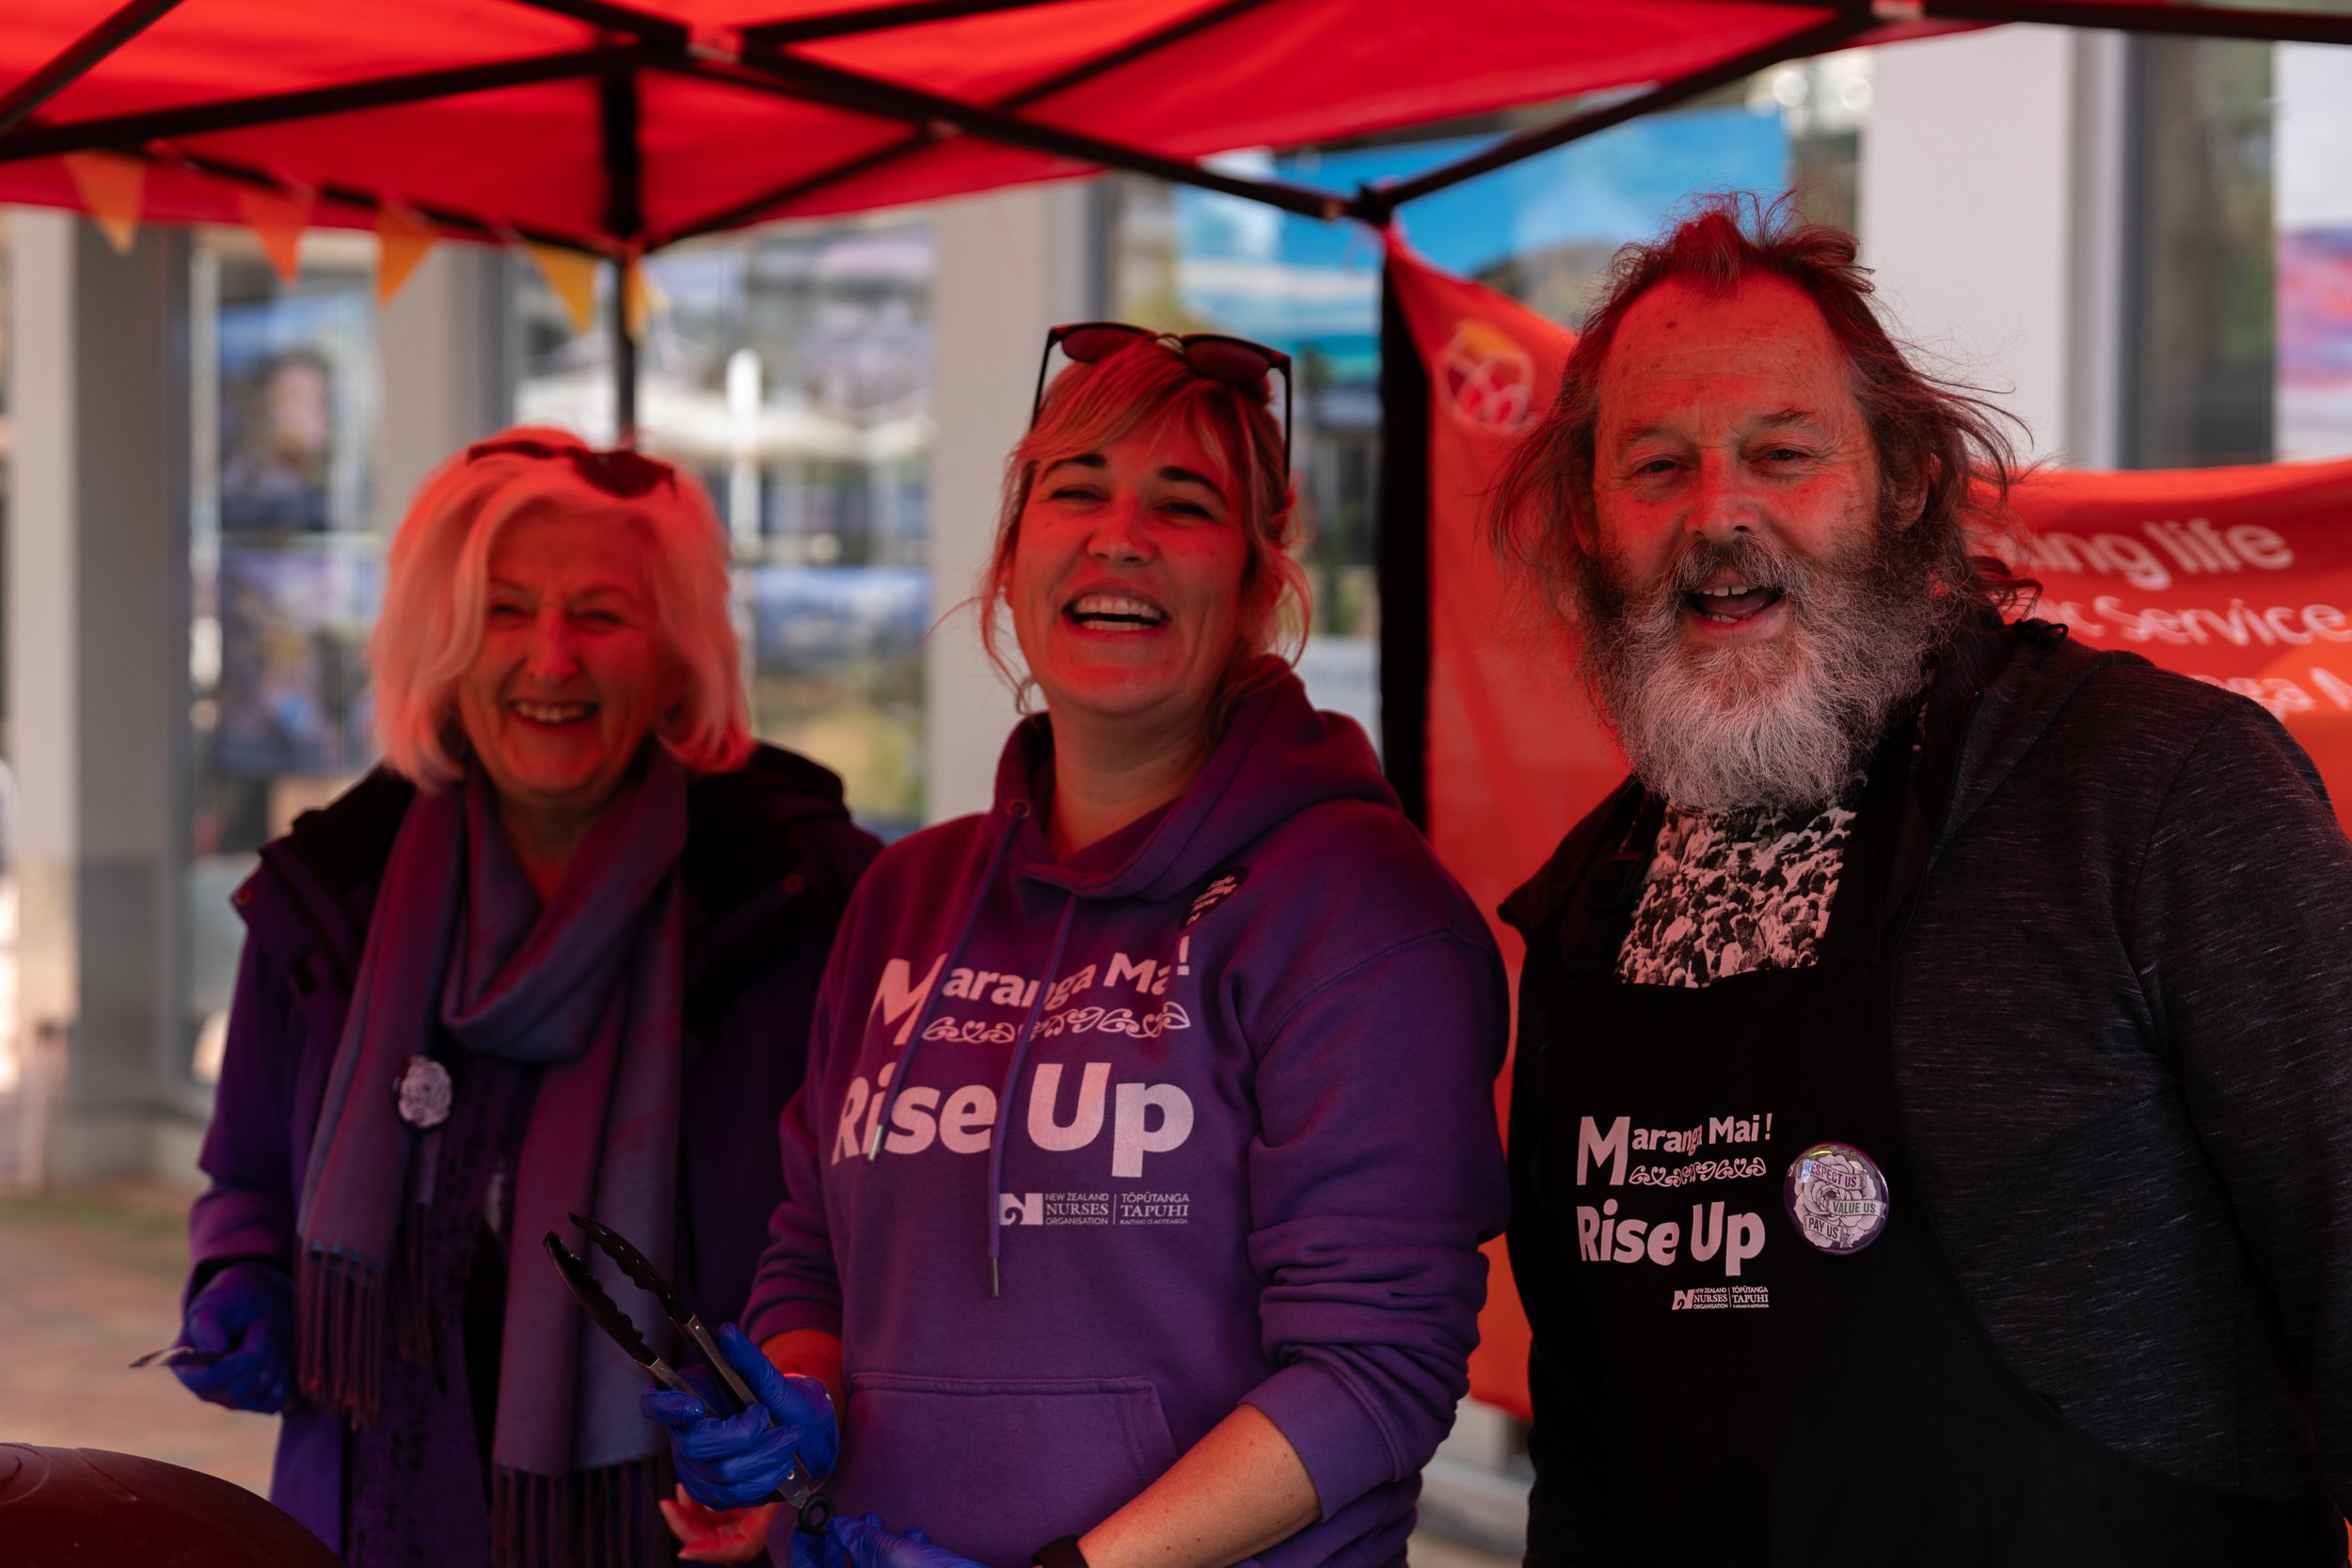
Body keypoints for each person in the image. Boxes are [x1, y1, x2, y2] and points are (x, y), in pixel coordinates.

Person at [1487, 193, 2352, 1564]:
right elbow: (1586, 1453)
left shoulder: (2162, 794)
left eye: (1784, 452)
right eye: (1656, 467)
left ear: (1903, 482)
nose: (1721, 516)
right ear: (1589, 521)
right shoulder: (1584, 905)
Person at [643, 325, 1510, 1568]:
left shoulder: (1359, 910)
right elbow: (816, 1251)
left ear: (1262, 586)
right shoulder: (905, 896)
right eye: (1077, 489)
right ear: (1010, 557)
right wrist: (792, 1408)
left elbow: (1377, 1371)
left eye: (1185, 502)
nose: (1120, 535)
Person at [175, 428, 881, 1568]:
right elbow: (246, 1176)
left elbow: (875, 1233)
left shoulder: (807, 899)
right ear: (442, 644)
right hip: (377, 1520)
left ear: (675, 651)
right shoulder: (328, 894)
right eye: (505, 612)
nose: (551, 660)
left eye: (601, 613)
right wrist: (241, 1274)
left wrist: (810, 1401)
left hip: (691, 1529)